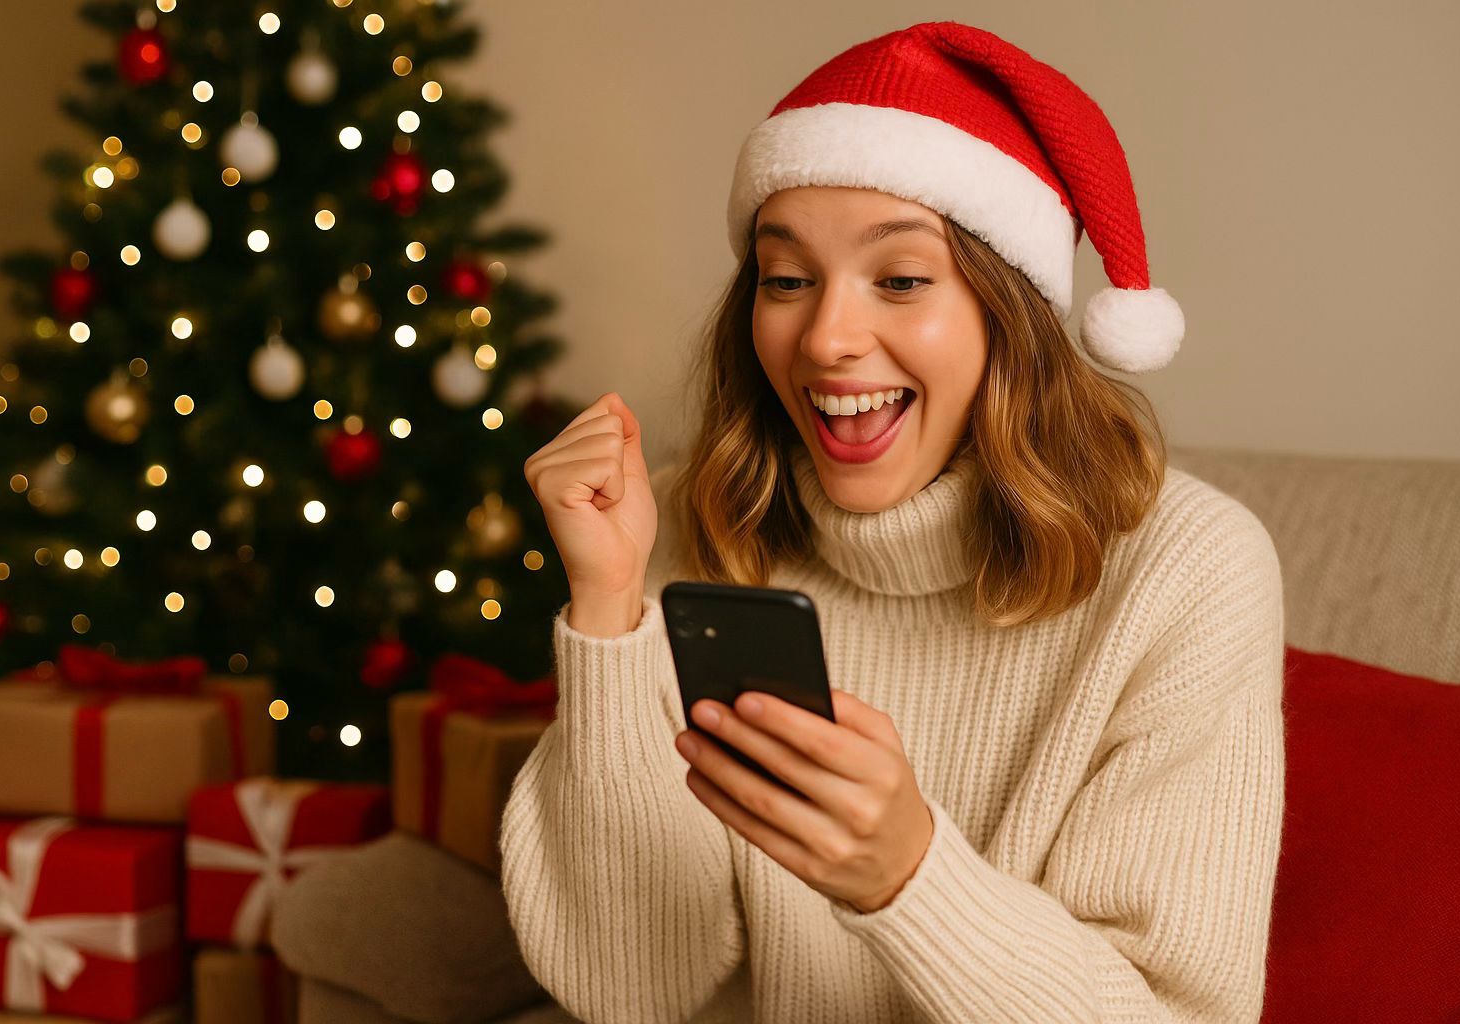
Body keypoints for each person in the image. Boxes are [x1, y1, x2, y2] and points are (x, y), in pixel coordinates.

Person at [502, 21, 1283, 1024]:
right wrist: (608, 609)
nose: (825, 337)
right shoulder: (695, 525)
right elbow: (628, 987)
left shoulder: (1191, 571)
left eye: (902, 279)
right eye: (786, 279)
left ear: (1014, 314)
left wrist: (908, 876)